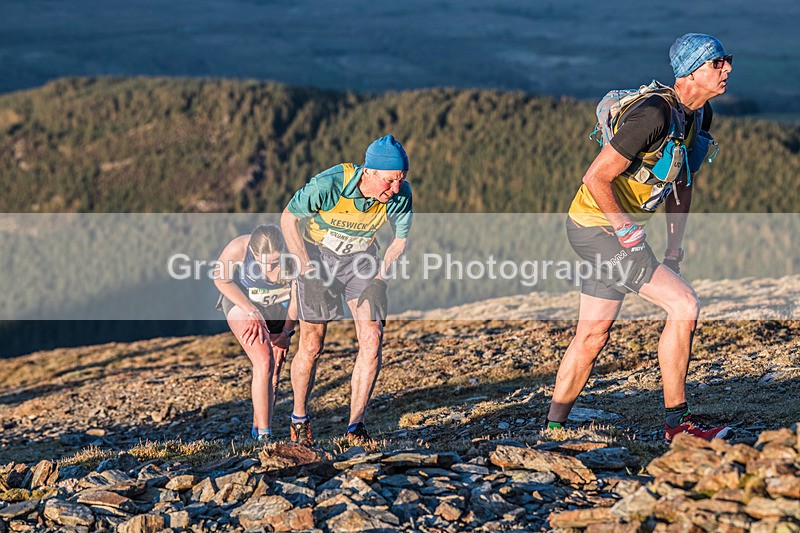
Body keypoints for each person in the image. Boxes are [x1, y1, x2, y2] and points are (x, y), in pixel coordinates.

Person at [546, 34, 734, 442]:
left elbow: (681, 182)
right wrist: (627, 231)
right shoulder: (654, 115)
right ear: (690, 72)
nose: (727, 69)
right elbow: (595, 177)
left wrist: (673, 249)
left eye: (726, 60)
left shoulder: (700, 116)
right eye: (717, 62)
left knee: (593, 334)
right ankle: (677, 426)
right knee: (684, 304)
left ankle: (554, 427)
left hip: (608, 232)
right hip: (597, 229)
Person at [280, 134, 412, 443]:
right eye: (389, 182)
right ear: (368, 173)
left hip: (362, 260)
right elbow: (288, 219)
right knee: (312, 344)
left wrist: (381, 280)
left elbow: (400, 240)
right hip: (317, 258)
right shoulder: (329, 185)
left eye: (401, 181)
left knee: (373, 336)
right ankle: (299, 417)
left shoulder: (401, 193)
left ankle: (356, 426)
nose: (395, 189)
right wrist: (306, 270)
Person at [214, 224, 297, 441]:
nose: (271, 268)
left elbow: (298, 295)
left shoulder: (293, 253)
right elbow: (221, 279)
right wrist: (251, 311)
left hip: (279, 306)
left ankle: (257, 424)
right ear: (253, 252)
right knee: (264, 360)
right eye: (266, 262)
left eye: (276, 262)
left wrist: (286, 333)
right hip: (243, 303)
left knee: (275, 369)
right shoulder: (239, 248)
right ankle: (264, 435)